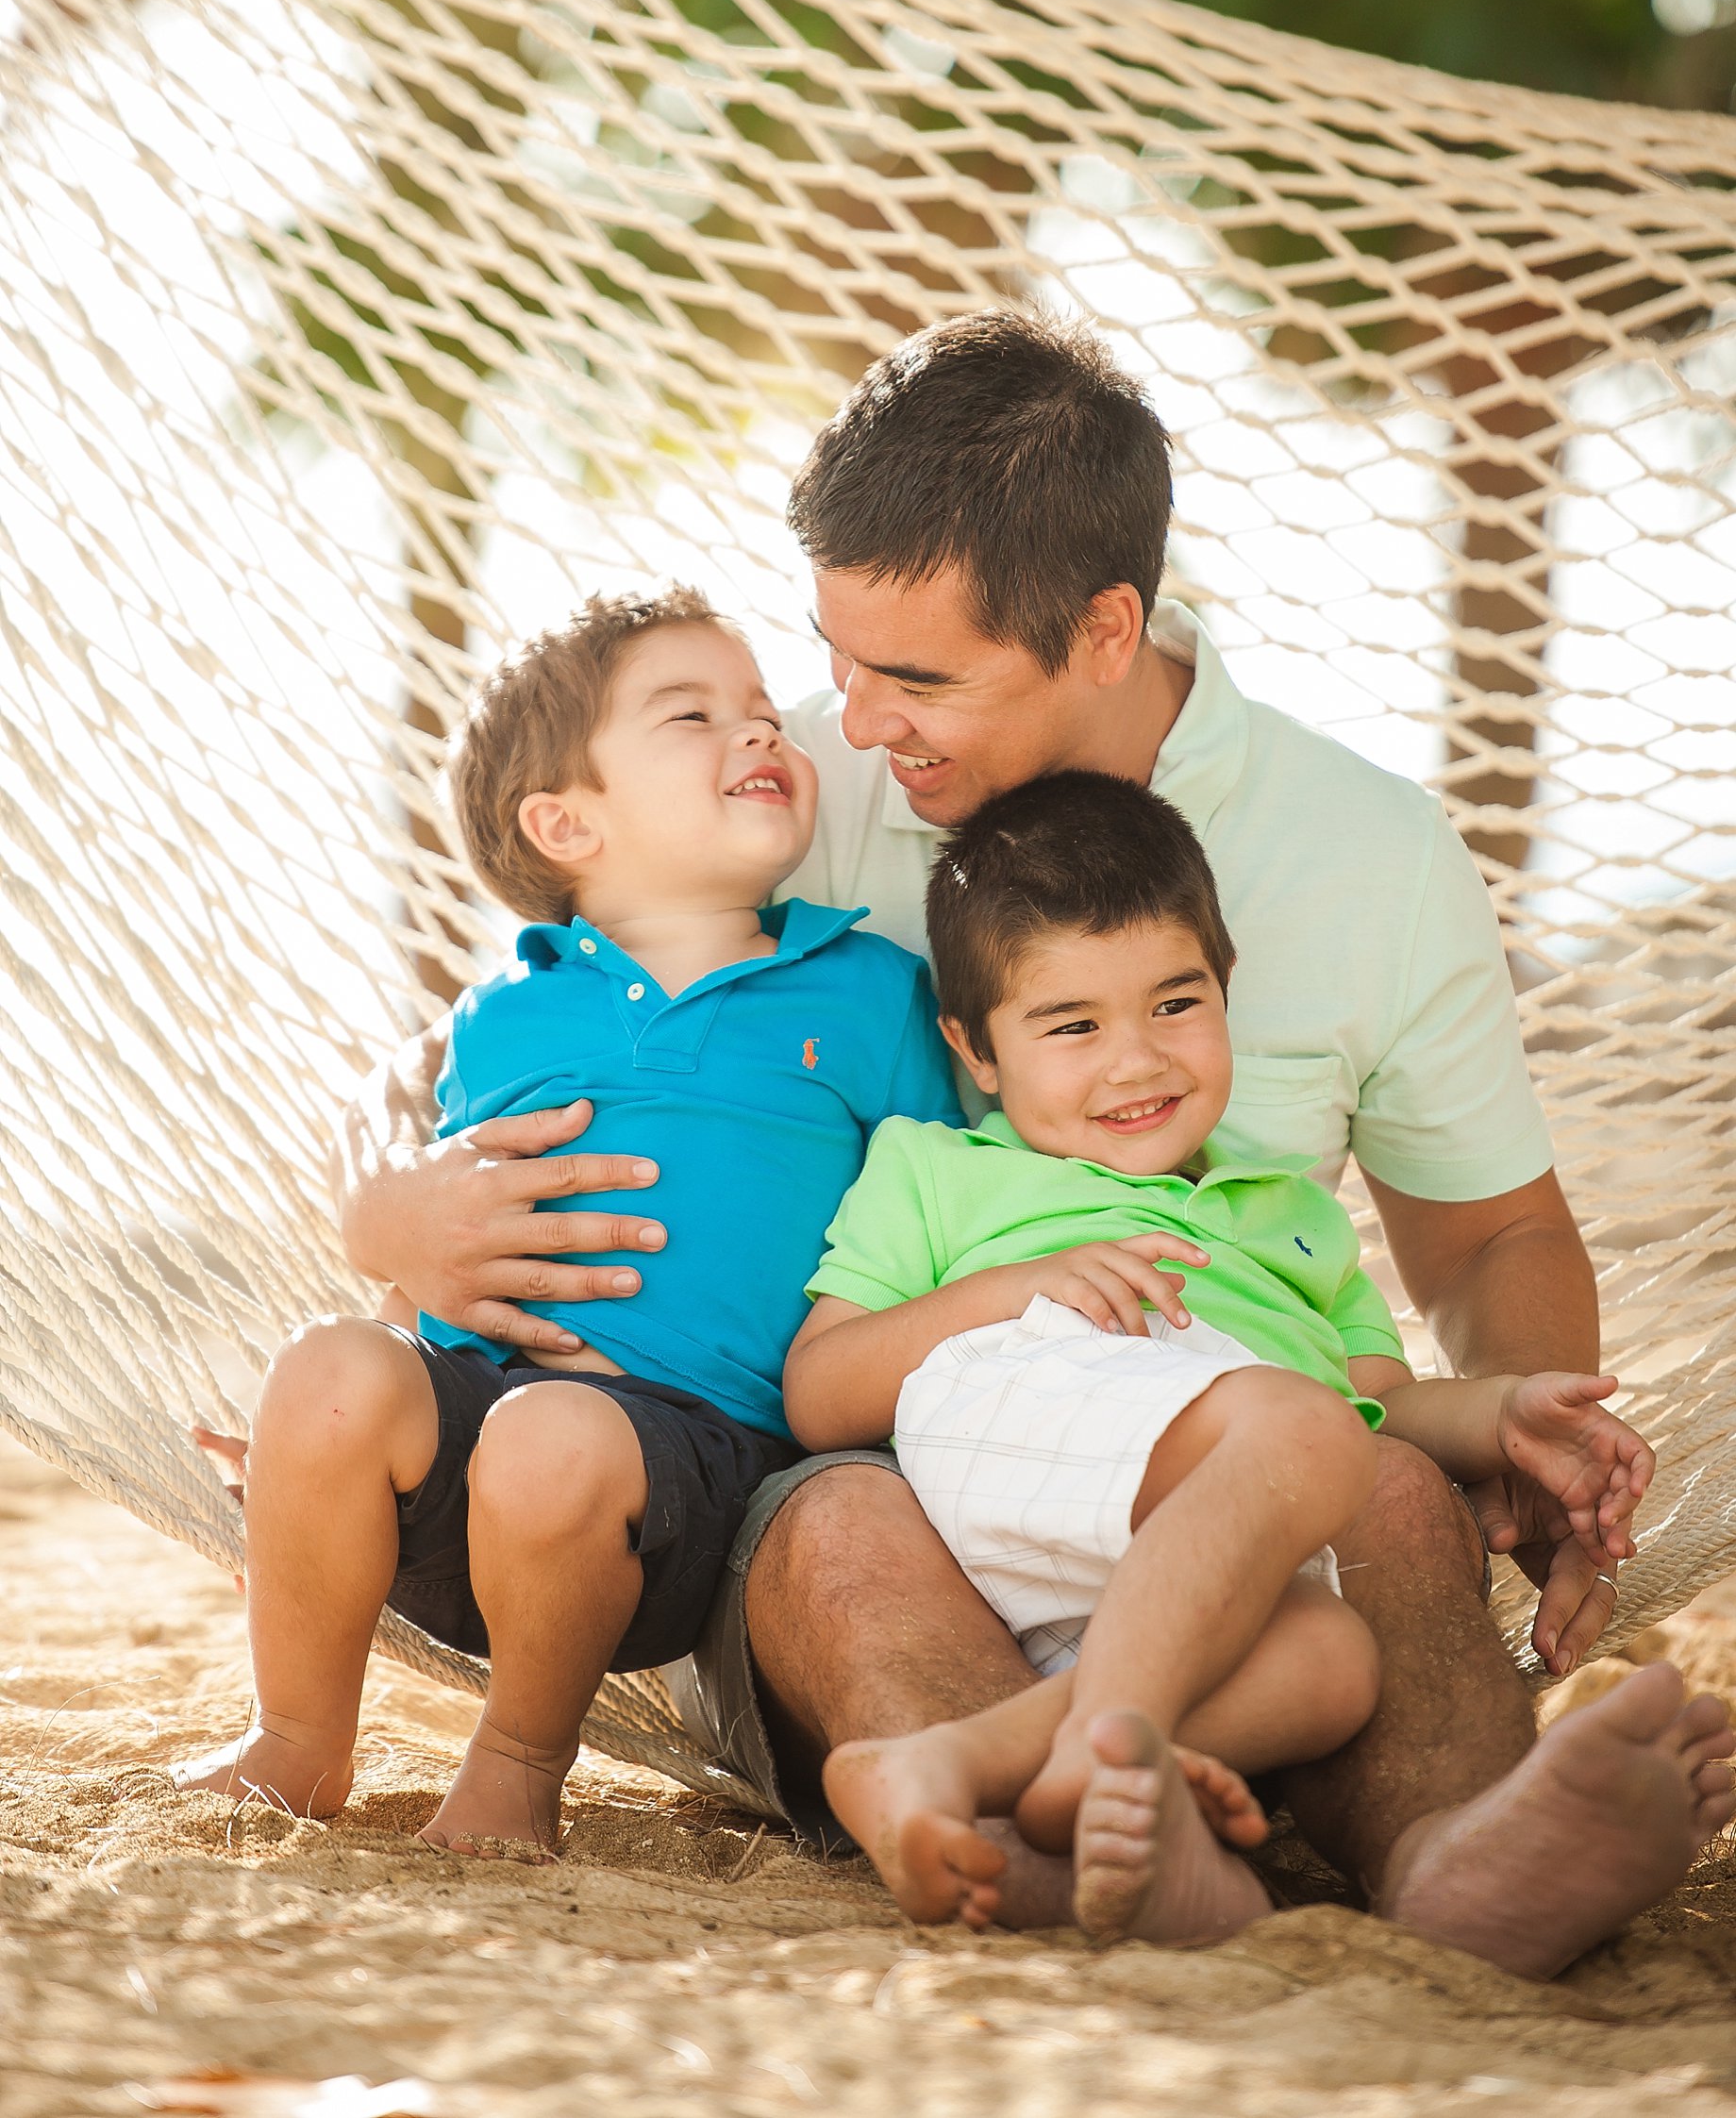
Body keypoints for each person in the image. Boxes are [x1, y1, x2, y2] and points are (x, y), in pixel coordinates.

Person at [333, 307, 1727, 1975]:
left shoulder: (1369, 855)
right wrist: (390, 1214)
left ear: (1103, 628)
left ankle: (1456, 1863)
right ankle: (1048, 1828)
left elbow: (1490, 1237)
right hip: (880, 1472)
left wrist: (1526, 1430)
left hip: (1236, 1461)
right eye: (833, 654)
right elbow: (509, 1022)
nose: (846, 719)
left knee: (1396, 1498)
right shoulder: (784, 786)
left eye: (913, 677)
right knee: (844, 1528)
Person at [787, 771, 1685, 1944]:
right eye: (1071, 1024)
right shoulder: (945, 1170)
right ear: (976, 1048)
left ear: (1226, 992)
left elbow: (1380, 1414)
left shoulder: (1290, 1218)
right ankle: (1083, 1768)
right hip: (1022, 1427)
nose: (1136, 1061)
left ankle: (1005, 1764)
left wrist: (1507, 1412)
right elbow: (818, 1390)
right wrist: (1002, 1291)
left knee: (1330, 1663)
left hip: (1169, 1574)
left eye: (1175, 1003)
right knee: (1295, 1429)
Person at [175, 589, 959, 1852]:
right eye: (694, 715)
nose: (759, 733)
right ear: (565, 820)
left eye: (764, 713)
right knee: (321, 1369)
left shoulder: (871, 991)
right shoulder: (504, 1012)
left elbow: (949, 1210)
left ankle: (518, 1765)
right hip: (474, 1428)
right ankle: (300, 1741)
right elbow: (449, 1239)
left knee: (554, 1436)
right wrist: (317, 1462)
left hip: (682, 1485)